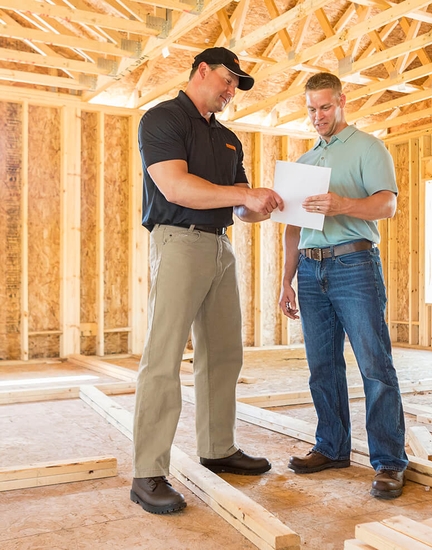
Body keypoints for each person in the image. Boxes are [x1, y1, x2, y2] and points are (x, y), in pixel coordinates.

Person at [131, 47, 284, 515]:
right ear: (202, 70)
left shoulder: (229, 139)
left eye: (236, 84)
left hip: (220, 247)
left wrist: (262, 205)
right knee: (164, 357)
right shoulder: (162, 120)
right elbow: (176, 187)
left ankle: (218, 448)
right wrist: (242, 193)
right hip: (178, 241)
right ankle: (147, 473)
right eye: (228, 80)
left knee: (222, 354)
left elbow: (238, 206)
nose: (231, 90)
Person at [279, 72, 408, 499]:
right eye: (311, 109)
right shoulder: (304, 161)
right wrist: (286, 280)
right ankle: (332, 447)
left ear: (342, 102)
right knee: (322, 366)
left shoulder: (369, 147)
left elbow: (386, 204)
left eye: (325, 107)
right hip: (311, 273)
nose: (318, 116)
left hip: (354, 262)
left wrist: (343, 205)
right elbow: (293, 227)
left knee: (374, 363)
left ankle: (389, 461)